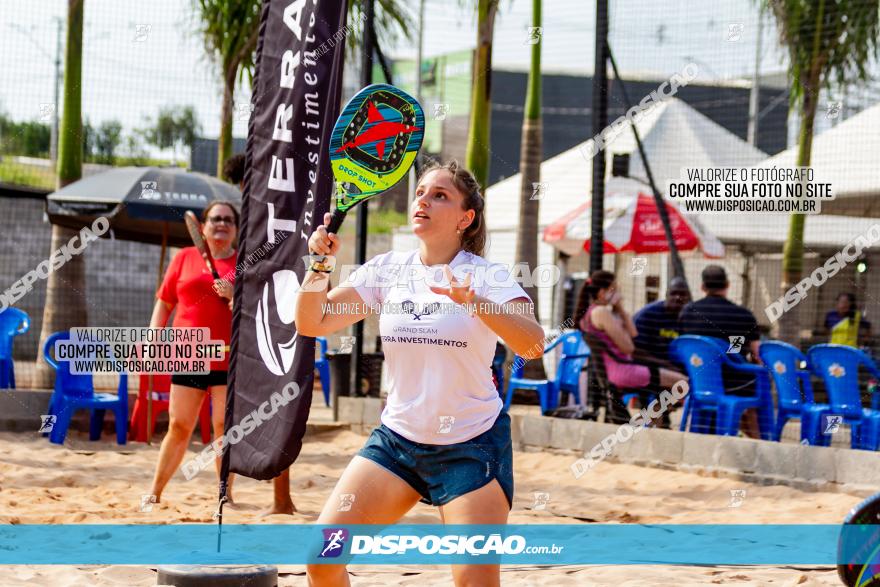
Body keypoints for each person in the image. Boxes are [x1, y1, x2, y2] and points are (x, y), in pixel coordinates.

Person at [298, 160, 545, 587]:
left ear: (465, 219)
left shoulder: (487, 276)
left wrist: (475, 302)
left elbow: (534, 344)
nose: (424, 200)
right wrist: (318, 264)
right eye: (420, 193)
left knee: (474, 582)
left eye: (440, 195)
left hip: (472, 446)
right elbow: (312, 322)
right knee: (323, 561)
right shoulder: (388, 269)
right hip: (398, 443)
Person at [148, 200, 239, 503]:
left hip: (228, 357)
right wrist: (153, 335)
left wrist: (235, 296)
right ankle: (155, 492)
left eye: (228, 219)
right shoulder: (184, 258)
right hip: (190, 354)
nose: (221, 224)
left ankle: (225, 495)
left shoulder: (244, 265)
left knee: (223, 429)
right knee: (179, 425)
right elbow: (165, 301)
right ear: (203, 226)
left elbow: (255, 312)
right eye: (215, 219)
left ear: (236, 229)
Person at [221, 153, 297, 516]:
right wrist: (234, 297)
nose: (246, 190)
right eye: (242, 185)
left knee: (279, 408)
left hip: (281, 319)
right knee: (238, 411)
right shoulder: (253, 228)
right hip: (255, 325)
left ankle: (281, 500)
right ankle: (226, 492)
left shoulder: (280, 213)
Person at [575, 271, 686, 419]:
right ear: (602, 292)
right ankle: (648, 417)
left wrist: (619, 308)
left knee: (669, 377)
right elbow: (629, 347)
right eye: (614, 289)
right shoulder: (601, 312)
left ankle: (653, 418)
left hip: (618, 369)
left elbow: (633, 333)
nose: (618, 293)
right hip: (623, 371)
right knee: (683, 382)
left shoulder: (593, 312)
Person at [678, 265, 762, 438]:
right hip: (734, 382)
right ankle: (759, 441)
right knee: (758, 385)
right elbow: (757, 355)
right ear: (728, 285)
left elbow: (683, 347)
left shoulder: (688, 312)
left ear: (702, 287)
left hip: (697, 382)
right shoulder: (743, 315)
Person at [633, 277, 691, 364]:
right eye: (673, 293)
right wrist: (665, 364)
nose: (677, 297)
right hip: (650, 365)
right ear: (666, 295)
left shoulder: (692, 317)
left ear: (688, 297)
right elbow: (635, 351)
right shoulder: (647, 315)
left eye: (682, 294)